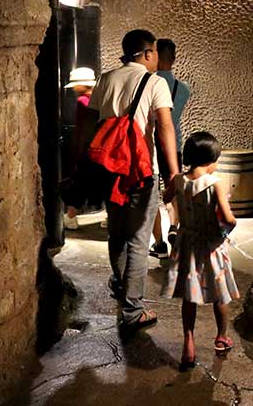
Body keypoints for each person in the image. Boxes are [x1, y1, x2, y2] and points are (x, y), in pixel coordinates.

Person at [87, 29, 180, 337]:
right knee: (139, 239)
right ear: (148, 54)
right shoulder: (156, 83)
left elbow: (90, 124)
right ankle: (133, 309)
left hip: (108, 169)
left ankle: (121, 283)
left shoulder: (106, 79)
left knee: (117, 232)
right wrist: (174, 173)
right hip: (140, 171)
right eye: (154, 53)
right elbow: (165, 128)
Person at [162, 131, 240, 371]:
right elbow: (228, 218)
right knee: (219, 294)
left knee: (189, 295)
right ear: (210, 160)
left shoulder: (177, 180)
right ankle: (221, 337)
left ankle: (188, 343)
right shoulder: (215, 184)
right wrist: (228, 227)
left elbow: (166, 198)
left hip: (186, 243)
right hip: (211, 246)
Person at [150, 38, 191, 259]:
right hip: (174, 144)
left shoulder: (149, 84)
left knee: (152, 194)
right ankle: (173, 226)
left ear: (155, 55)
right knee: (172, 188)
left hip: (151, 144)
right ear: (174, 58)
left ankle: (158, 244)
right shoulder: (184, 89)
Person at [62, 67, 97, 230]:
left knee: (78, 183)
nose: (75, 89)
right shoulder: (99, 99)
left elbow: (83, 128)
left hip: (87, 148)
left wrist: (78, 148)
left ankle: (70, 216)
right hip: (100, 148)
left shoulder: (82, 101)